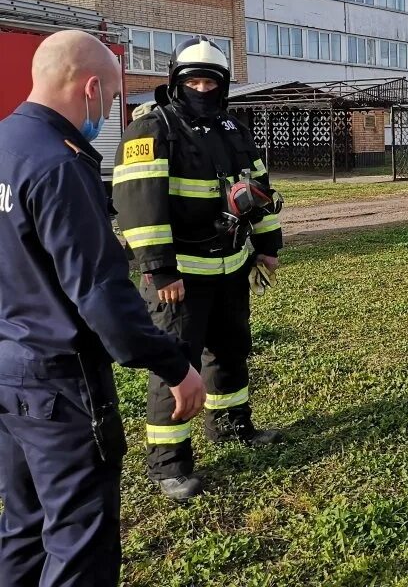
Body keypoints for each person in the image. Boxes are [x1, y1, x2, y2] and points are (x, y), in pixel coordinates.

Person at [0, 30, 205, 583]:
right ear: (91, 87)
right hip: (60, 384)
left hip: (8, 370)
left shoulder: (4, 145)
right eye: (112, 97)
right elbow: (101, 295)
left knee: (24, 524)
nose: (109, 109)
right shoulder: (61, 165)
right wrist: (174, 366)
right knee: (79, 539)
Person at [114, 36, 283, 502]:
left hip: (231, 265)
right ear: (176, 83)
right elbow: (137, 205)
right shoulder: (151, 130)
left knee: (230, 348)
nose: (203, 89)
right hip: (180, 277)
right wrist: (160, 270)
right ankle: (169, 463)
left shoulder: (234, 128)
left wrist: (268, 244)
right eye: (195, 81)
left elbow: (259, 189)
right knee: (176, 364)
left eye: (212, 81)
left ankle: (230, 425)